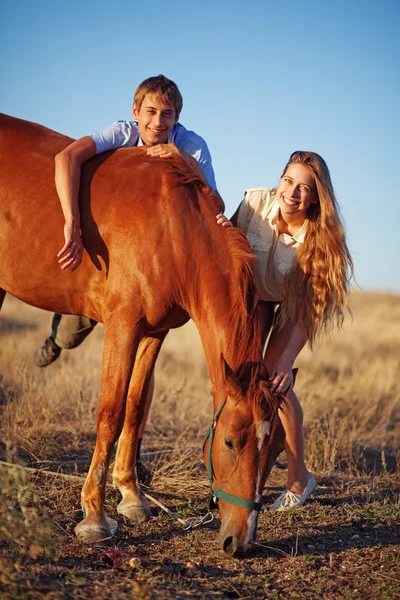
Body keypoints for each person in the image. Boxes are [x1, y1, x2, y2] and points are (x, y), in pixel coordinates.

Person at [34, 74, 219, 483]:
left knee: (137, 339)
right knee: (73, 329)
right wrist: (71, 225)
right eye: (150, 112)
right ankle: (55, 340)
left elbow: (214, 204)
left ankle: (128, 457)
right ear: (136, 112)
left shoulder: (192, 145)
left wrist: (179, 159)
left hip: (153, 264)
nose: (157, 122)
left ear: (177, 118)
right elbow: (66, 158)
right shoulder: (121, 132)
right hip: (112, 250)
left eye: (166, 114)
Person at [216, 150, 354, 511]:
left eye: (304, 188)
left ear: (315, 197)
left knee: (275, 380)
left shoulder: (322, 237)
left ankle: (299, 477)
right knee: (241, 378)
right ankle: (230, 473)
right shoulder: (254, 203)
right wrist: (224, 230)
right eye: (288, 181)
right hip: (254, 297)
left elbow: (312, 307)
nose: (292, 193)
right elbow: (224, 245)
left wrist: (288, 358)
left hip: (294, 303)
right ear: (279, 180)